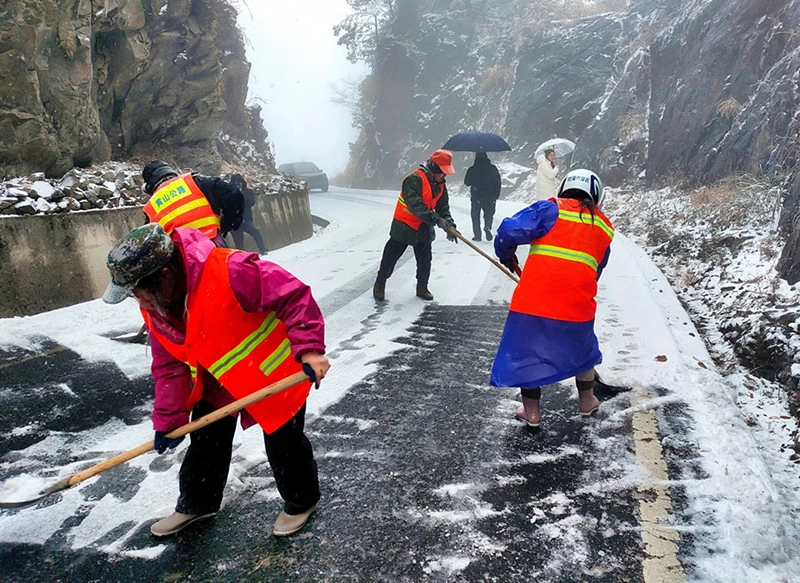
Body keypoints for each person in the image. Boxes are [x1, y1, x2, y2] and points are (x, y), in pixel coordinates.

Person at [102, 222, 329, 538]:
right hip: (220, 380)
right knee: (206, 440)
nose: (136, 299)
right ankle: (199, 502)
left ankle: (302, 500)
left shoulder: (231, 270)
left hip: (272, 375)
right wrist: (168, 420)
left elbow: (294, 296)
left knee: (284, 445)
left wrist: (311, 350)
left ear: (164, 276)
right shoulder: (155, 306)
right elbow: (170, 367)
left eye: (136, 290)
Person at [490, 169, 613, 428]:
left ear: (564, 188)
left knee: (527, 353)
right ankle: (587, 401)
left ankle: (531, 413)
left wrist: (506, 254)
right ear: (597, 196)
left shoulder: (550, 210)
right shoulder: (603, 227)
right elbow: (595, 271)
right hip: (577, 307)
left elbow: (509, 230)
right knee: (583, 351)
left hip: (532, 304)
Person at [372, 149, 459, 302]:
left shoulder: (440, 185)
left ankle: (422, 287)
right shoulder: (413, 180)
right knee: (390, 259)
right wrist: (437, 220)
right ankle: (380, 283)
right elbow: (416, 206)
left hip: (423, 228)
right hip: (404, 226)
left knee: (425, 261)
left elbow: (443, 208)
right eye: (442, 172)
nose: (444, 176)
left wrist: (450, 225)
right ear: (434, 169)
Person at [141, 160, 244, 247]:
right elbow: (233, 193)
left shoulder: (150, 207)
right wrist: (227, 223)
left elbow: (150, 245)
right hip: (213, 247)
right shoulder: (196, 181)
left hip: (183, 259)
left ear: (149, 186)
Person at [464, 152, 502, 241]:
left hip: (476, 196)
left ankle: (477, 236)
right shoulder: (492, 169)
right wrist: (496, 195)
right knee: (489, 214)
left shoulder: (472, 169)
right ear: (487, 157)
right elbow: (498, 182)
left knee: (475, 216)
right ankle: (487, 226)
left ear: (476, 157)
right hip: (490, 196)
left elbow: (467, 182)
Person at [229, 173, 268, 255]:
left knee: (256, 232)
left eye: (239, 182)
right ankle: (242, 256)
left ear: (242, 183)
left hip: (247, 220)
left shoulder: (248, 192)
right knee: (239, 244)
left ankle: (263, 250)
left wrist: (241, 194)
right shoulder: (229, 193)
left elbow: (251, 202)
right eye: (235, 183)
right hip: (235, 222)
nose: (237, 184)